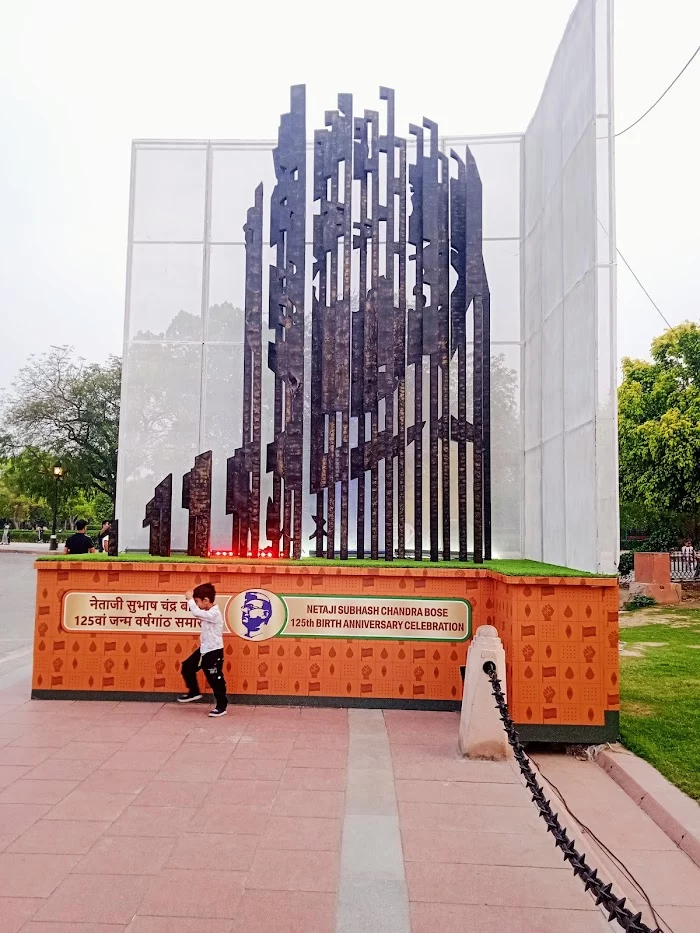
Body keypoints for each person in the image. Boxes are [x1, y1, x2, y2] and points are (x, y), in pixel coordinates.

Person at [178, 582, 228, 717]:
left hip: (214, 651)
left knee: (215, 679)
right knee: (187, 666)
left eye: (197, 601)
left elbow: (196, 612)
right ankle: (194, 692)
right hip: (204, 649)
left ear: (206, 601)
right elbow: (198, 612)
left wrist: (189, 599)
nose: (195, 603)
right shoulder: (206, 612)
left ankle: (221, 706)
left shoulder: (214, 613)